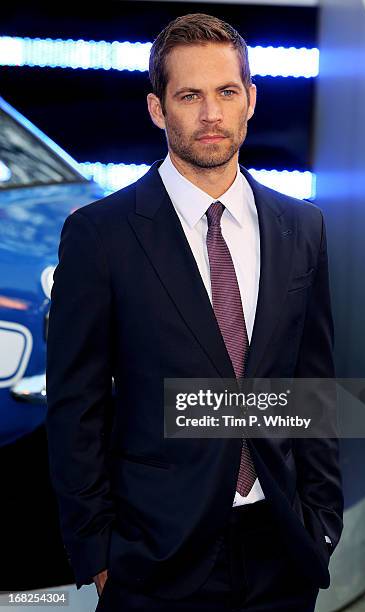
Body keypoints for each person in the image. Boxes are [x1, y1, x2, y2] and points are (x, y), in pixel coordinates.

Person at [45, 13, 344, 612]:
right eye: (189, 95)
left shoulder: (302, 227)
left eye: (226, 92)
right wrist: (99, 554)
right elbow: (75, 405)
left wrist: (322, 520)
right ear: (158, 108)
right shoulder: (99, 235)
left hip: (282, 547)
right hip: (154, 555)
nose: (211, 114)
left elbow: (313, 383)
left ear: (251, 101)